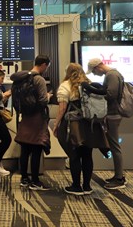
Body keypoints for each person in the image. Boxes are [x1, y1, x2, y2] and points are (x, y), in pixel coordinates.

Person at [53, 63, 110, 195]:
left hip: (74, 125)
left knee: (74, 155)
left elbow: (62, 108)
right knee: (87, 155)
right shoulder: (88, 83)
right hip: (90, 124)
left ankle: (76, 186)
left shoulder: (65, 85)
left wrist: (56, 125)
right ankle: (87, 186)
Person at [12, 55, 52, 191]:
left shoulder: (21, 79)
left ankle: (24, 178)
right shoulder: (38, 79)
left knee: (25, 149)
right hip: (37, 117)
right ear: (44, 65)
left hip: (24, 116)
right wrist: (48, 97)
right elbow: (42, 101)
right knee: (36, 148)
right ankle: (35, 180)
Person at [86, 58, 126, 190]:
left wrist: (94, 90)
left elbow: (111, 94)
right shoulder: (114, 74)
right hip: (112, 114)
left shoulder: (111, 75)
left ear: (98, 67)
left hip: (112, 114)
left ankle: (119, 178)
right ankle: (118, 176)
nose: (94, 74)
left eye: (93, 71)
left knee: (114, 146)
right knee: (114, 146)